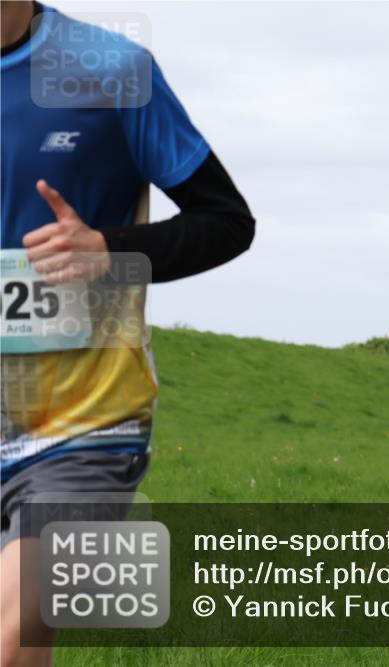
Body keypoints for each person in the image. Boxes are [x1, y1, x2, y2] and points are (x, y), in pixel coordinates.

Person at [1, 2, 254, 664]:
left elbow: (227, 221)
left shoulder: (113, 70)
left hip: (82, 425)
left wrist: (108, 251)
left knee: (10, 634)